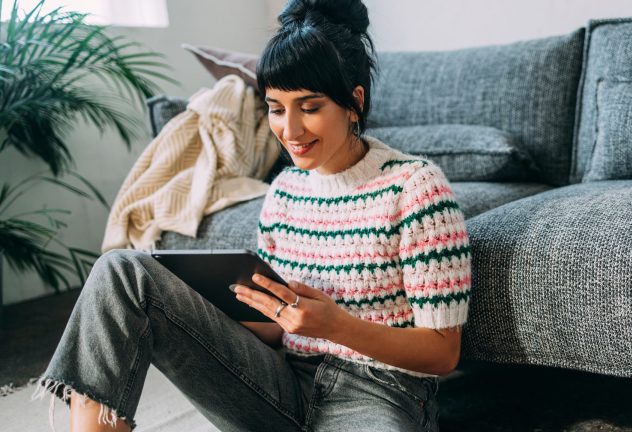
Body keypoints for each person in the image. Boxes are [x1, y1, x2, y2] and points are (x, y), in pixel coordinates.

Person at [31, 0, 472, 430]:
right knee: (121, 271)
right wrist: (211, 304)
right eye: (277, 109)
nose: (290, 131)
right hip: (281, 381)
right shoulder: (284, 192)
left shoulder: (415, 188)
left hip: (379, 390)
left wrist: (337, 326)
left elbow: (442, 352)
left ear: (353, 101)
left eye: (311, 107)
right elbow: (274, 335)